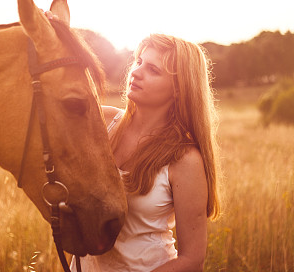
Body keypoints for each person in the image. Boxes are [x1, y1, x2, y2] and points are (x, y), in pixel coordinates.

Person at [44, 10, 220, 272]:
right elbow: (48, 102)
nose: (136, 72)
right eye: (138, 61)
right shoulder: (102, 122)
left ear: (178, 89)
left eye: (153, 70)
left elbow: (192, 260)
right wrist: (53, 38)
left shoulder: (185, 159)